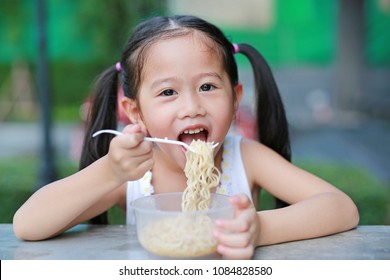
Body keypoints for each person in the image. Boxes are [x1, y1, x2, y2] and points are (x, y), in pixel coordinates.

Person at [13, 15, 359, 259]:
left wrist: (258, 229)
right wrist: (109, 172)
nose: (192, 106)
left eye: (208, 86)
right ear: (135, 112)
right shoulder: (133, 175)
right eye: (167, 92)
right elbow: (28, 225)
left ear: (236, 97)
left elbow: (341, 209)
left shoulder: (245, 157)